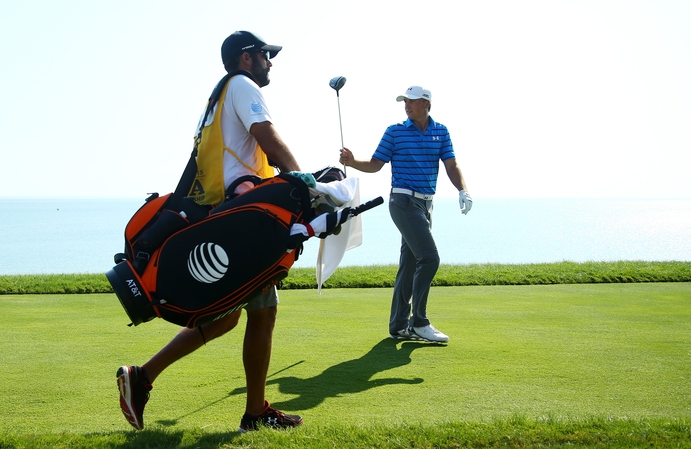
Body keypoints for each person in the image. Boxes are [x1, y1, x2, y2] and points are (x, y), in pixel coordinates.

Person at [117, 31, 303, 433]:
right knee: (263, 311)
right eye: (266, 54)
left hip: (226, 214)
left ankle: (143, 377)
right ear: (246, 58)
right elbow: (265, 134)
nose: (271, 62)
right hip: (243, 218)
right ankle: (254, 413)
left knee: (228, 317)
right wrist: (299, 179)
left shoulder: (215, 98)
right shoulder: (242, 84)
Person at [339, 86, 472, 343]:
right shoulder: (395, 132)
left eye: (412, 102)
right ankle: (419, 322)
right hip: (403, 201)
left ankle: (399, 325)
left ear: (427, 104)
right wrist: (353, 161)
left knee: (411, 263)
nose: (407, 105)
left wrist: (463, 190)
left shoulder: (441, 132)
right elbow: (376, 164)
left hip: (425, 204)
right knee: (430, 258)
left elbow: (451, 164)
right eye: (405, 102)